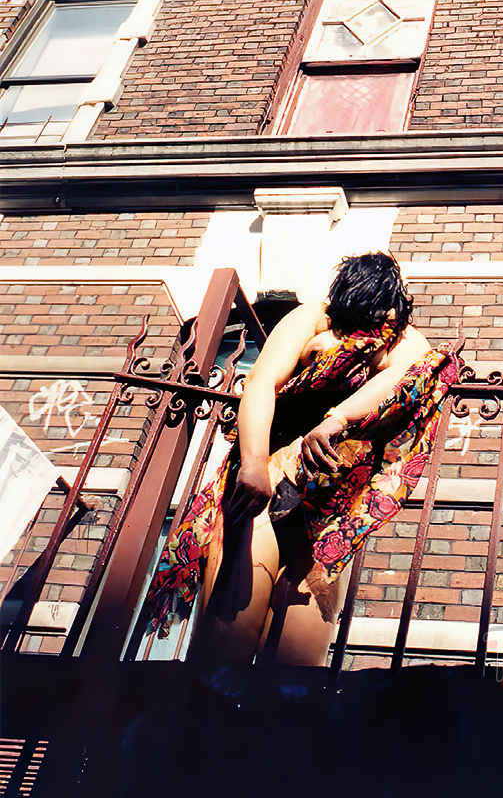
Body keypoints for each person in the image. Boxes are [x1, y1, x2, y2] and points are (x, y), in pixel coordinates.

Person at [144, 252, 460, 666]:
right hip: (273, 478)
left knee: (297, 666)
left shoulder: (402, 339)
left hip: (333, 501)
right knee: (228, 643)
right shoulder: (314, 318)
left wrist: (338, 419)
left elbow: (404, 374)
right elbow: (261, 382)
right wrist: (254, 463)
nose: (367, 327)